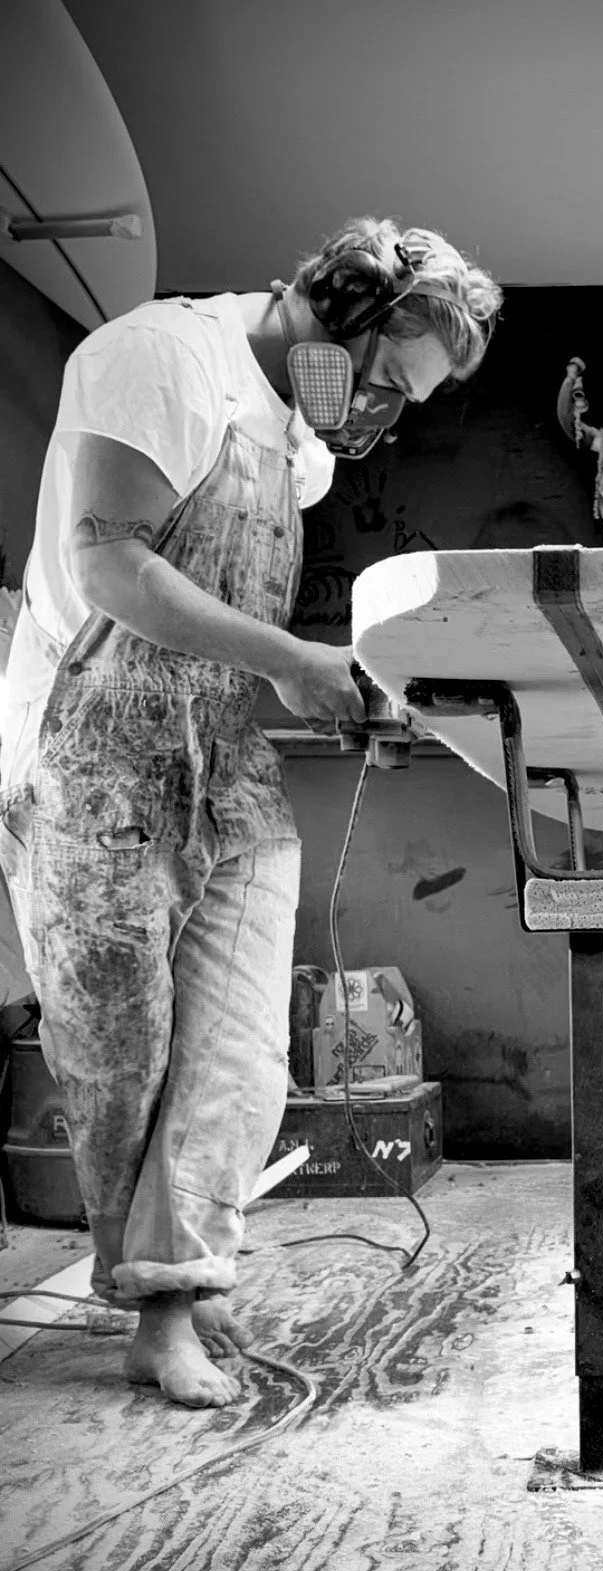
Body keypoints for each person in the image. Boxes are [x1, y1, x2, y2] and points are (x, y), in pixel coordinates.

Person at [0, 216, 502, 1408]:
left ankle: (177, 1284)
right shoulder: (161, 358)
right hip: (93, 748)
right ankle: (162, 1294)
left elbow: (231, 601)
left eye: (408, 403)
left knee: (237, 1042)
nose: (382, 413)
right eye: (384, 379)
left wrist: (310, 678)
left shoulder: (302, 441)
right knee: (119, 1056)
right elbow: (114, 560)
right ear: (334, 311)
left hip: (219, 753)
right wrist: (290, 658)